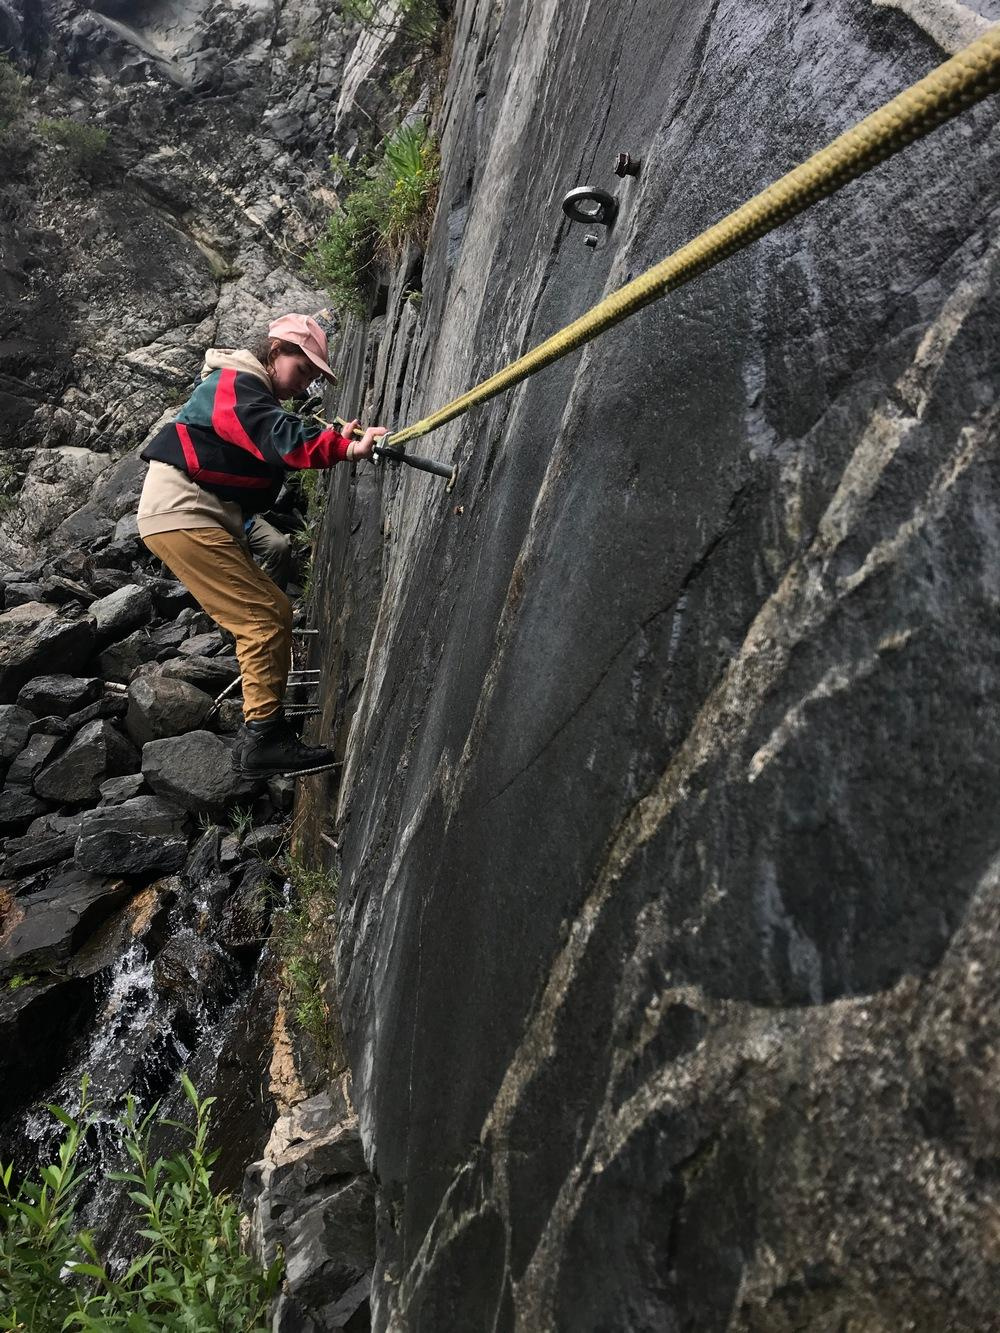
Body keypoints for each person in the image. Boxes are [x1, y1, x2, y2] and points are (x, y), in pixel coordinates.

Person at [136, 313, 387, 779]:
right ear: (274, 352)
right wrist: (345, 448)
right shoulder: (234, 382)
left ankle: (263, 734)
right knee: (262, 620)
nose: (305, 385)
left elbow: (275, 432)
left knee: (272, 612)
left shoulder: (244, 389)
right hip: (185, 513)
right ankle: (263, 739)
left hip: (192, 515)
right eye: (302, 370)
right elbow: (277, 436)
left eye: (312, 377)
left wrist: (334, 438)